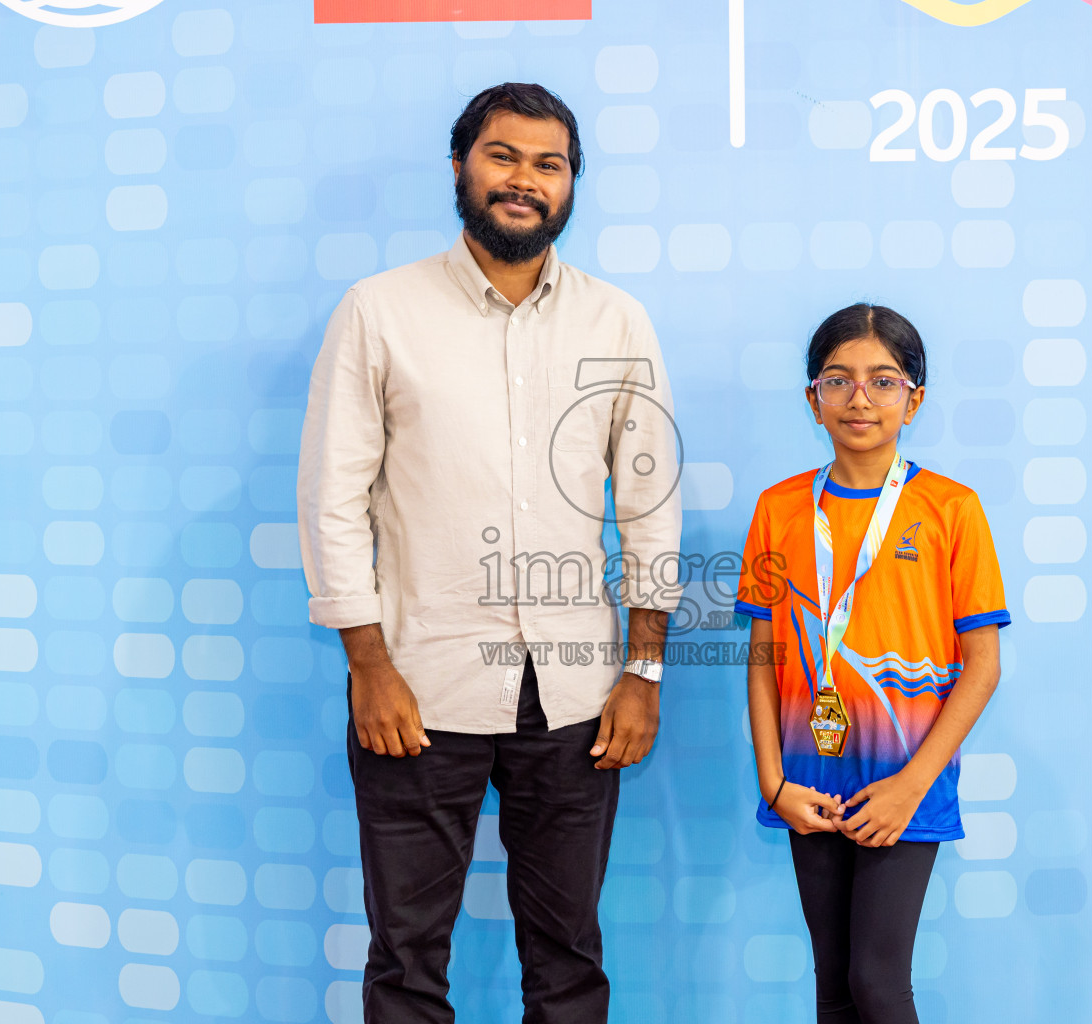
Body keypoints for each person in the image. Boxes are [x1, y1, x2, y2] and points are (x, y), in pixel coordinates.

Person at [296, 83, 682, 1023]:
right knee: (406, 959)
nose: (525, 180)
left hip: (578, 696)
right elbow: (331, 499)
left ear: (571, 184)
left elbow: (649, 505)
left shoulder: (616, 321)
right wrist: (370, 667)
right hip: (417, 693)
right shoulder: (379, 312)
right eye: (504, 156)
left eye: (549, 164)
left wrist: (643, 672)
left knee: (569, 958)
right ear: (462, 166)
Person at [733, 303, 1008, 1023]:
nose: (861, 398)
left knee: (878, 982)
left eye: (884, 381)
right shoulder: (778, 508)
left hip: (904, 786)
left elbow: (982, 667)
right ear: (812, 398)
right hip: (807, 784)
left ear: (914, 400)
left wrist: (910, 787)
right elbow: (761, 659)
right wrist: (774, 782)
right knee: (834, 989)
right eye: (839, 380)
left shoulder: (952, 509)